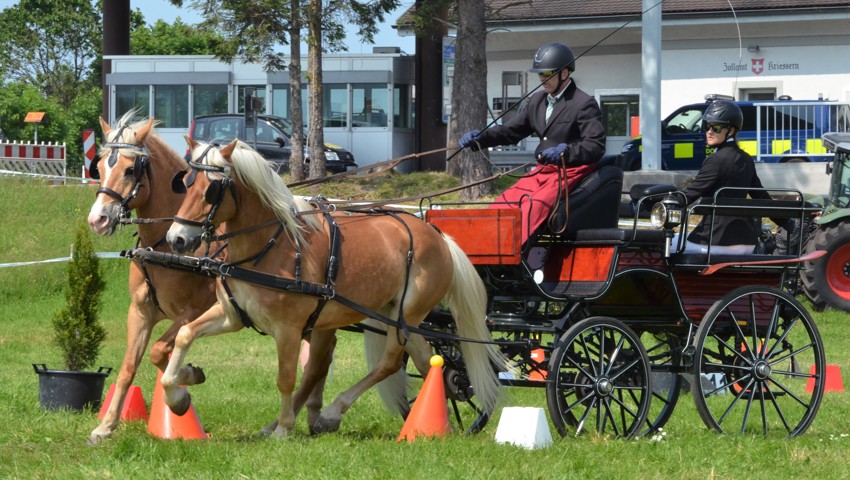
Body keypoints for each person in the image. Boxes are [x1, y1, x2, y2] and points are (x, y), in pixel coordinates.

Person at [458, 42, 606, 244]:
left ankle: (518, 261)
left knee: (532, 207)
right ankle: (488, 254)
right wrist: (480, 138)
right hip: (542, 171)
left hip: (569, 171)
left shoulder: (583, 103)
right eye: (540, 75)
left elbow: (595, 145)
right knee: (503, 204)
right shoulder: (537, 101)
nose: (542, 79)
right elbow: (511, 132)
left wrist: (566, 151)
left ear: (564, 73)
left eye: (547, 74)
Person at [676, 99, 774, 254]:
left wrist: (659, 202)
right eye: (707, 126)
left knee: (666, 245)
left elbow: (691, 194)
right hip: (747, 242)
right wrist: (788, 223)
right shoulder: (746, 159)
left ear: (731, 131)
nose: (709, 131)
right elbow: (761, 196)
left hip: (717, 240)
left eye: (716, 127)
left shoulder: (715, 160)